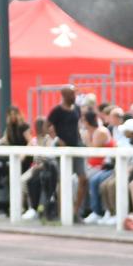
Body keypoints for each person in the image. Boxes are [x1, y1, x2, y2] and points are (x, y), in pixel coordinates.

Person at [47, 86, 87, 215]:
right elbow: (46, 126)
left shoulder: (76, 109)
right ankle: (62, 211)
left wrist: (81, 140)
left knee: (83, 178)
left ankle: (76, 211)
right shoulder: (57, 111)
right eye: (71, 94)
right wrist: (57, 139)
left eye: (74, 94)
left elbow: (77, 126)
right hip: (62, 149)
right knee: (63, 179)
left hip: (77, 146)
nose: (74, 97)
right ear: (64, 95)